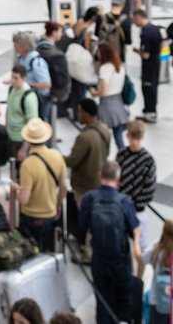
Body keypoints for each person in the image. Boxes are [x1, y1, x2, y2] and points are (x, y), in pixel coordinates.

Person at [79, 161, 142, 324]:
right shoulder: (124, 201)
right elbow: (132, 229)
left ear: (100, 176)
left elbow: (82, 224)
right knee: (124, 299)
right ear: (118, 179)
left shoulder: (89, 198)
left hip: (99, 258)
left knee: (102, 300)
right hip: (120, 260)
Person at [11, 118, 67, 253]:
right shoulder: (57, 156)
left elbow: (24, 198)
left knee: (32, 253)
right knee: (48, 249)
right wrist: (57, 204)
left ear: (28, 140)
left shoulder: (28, 164)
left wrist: (16, 188)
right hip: (50, 213)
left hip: (31, 216)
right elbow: (63, 187)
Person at [65, 98, 112, 250]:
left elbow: (72, 161)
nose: (78, 114)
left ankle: (87, 248)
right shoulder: (105, 130)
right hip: (98, 181)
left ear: (86, 113)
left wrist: (55, 157)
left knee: (87, 217)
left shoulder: (84, 137)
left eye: (80, 111)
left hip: (84, 185)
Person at [117, 120, 156, 242]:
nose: (134, 141)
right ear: (127, 135)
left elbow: (150, 189)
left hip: (137, 211)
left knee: (140, 245)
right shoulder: (121, 154)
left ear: (142, 138)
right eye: (131, 137)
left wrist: (134, 204)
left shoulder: (148, 160)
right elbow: (115, 178)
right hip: (121, 207)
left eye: (137, 138)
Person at [93, 42, 129, 149]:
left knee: (101, 134)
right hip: (118, 101)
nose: (97, 54)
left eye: (99, 52)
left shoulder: (105, 68)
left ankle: (101, 158)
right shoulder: (120, 66)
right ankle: (123, 157)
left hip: (107, 104)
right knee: (118, 135)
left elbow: (103, 92)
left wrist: (95, 93)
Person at [6, 65, 42, 164]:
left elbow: (32, 124)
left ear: (23, 78)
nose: (13, 81)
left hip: (21, 139)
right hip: (11, 137)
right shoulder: (12, 90)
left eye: (16, 78)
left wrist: (24, 148)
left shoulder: (29, 97)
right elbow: (9, 109)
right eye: (12, 77)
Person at [135, 9, 162, 123]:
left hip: (149, 66)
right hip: (156, 63)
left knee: (148, 88)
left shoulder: (146, 32)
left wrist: (137, 51)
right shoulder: (154, 29)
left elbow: (145, 55)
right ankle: (150, 111)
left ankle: (150, 113)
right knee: (153, 87)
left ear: (138, 17)